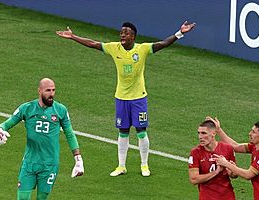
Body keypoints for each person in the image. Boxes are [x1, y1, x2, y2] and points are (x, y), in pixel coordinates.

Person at [56, 21, 195, 177]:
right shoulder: (114, 48)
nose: (122, 35)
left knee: (141, 131)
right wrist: (73, 36)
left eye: (126, 33)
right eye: (121, 32)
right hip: (121, 98)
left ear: (133, 36)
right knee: (123, 131)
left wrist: (180, 33)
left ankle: (144, 165)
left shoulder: (142, 49)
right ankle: (121, 166)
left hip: (139, 98)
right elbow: (93, 44)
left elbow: (163, 44)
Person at [0, 78, 84, 200]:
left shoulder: (61, 110)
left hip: (49, 164)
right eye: (48, 90)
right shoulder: (27, 108)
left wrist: (78, 159)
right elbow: (8, 123)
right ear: (39, 91)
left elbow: (69, 134)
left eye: (53, 90)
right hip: (29, 163)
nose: (51, 94)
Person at [207, 117, 259, 200]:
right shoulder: (255, 147)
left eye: (253, 132)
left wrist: (226, 164)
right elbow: (235, 146)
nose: (250, 134)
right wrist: (218, 130)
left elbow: (248, 175)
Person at [188, 120, 237, 200]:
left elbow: (234, 175)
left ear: (213, 133)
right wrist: (216, 172)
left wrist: (232, 172)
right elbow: (194, 179)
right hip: (207, 197)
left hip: (227, 196)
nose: (200, 137)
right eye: (199, 133)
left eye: (204, 133)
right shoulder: (195, 153)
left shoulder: (228, 149)